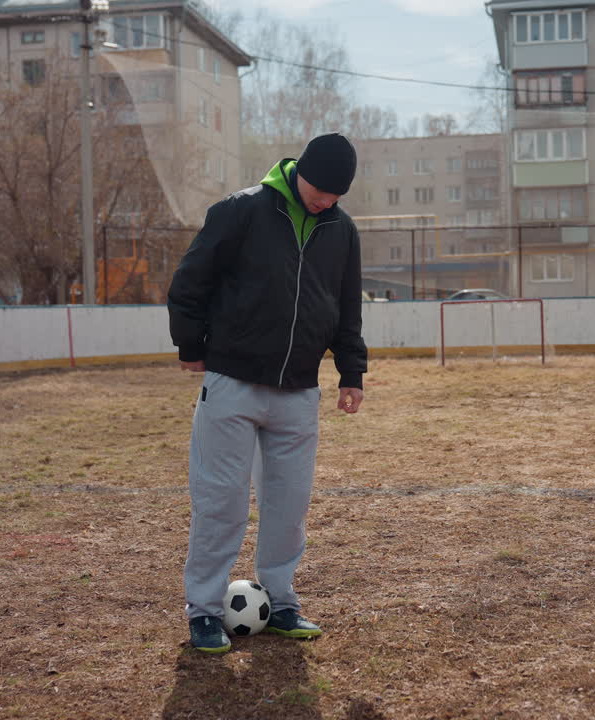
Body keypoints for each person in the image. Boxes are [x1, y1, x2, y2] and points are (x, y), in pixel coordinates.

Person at [167, 133, 367, 654]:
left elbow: (347, 309)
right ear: (299, 171)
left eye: (336, 194)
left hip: (299, 391)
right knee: (222, 502)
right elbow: (191, 280)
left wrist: (352, 372)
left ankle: (281, 602)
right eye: (321, 189)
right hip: (233, 384)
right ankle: (205, 612)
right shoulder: (242, 210)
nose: (327, 200)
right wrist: (191, 344)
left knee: (289, 506)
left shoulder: (342, 231)